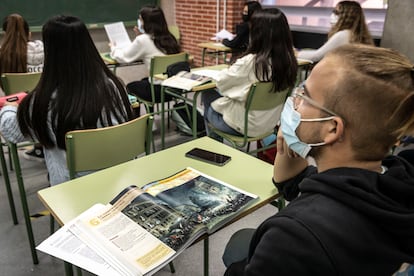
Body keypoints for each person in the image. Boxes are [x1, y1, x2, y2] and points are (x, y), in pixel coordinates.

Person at [222, 44, 414, 275]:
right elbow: (298, 185)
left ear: (332, 129)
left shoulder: (293, 238)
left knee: (236, 247)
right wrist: (290, 140)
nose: (295, 103)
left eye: (304, 96)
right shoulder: (398, 176)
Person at [0, 15, 134, 186]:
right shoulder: (113, 86)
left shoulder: (42, 101)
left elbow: (12, 132)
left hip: (72, 188)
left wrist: (9, 108)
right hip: (120, 179)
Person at [202, 8, 297, 141]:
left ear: (257, 32)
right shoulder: (289, 61)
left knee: (207, 94)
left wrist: (226, 72)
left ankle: (213, 149)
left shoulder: (251, 62)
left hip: (244, 126)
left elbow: (223, 84)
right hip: (270, 124)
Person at [110, 5, 180, 113]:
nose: (139, 22)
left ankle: (137, 120)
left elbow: (123, 57)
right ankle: (150, 113)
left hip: (158, 92)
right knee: (144, 81)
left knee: (130, 86)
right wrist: (140, 36)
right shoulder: (170, 38)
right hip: (176, 89)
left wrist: (113, 48)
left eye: (141, 19)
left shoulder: (143, 40)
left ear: (147, 22)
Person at [0, 14, 45, 161]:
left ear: (5, 34)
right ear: (29, 33)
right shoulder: (45, 50)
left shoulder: (2, 54)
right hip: (45, 105)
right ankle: (41, 148)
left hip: (15, 110)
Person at [297, 0, 374, 63]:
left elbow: (316, 56)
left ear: (346, 17)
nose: (332, 16)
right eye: (333, 12)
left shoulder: (344, 34)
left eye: (337, 13)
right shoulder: (356, 35)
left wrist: (294, 53)